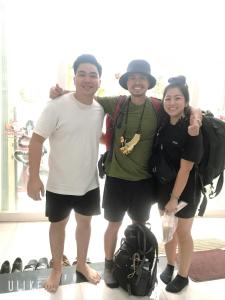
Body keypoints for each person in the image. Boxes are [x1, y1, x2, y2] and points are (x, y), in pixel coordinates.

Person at [50, 60, 202, 288]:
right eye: (133, 78)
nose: (137, 82)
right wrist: (62, 93)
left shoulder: (158, 106)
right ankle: (110, 265)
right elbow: (87, 94)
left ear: (149, 83)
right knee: (113, 225)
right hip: (116, 177)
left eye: (142, 78)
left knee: (140, 226)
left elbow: (185, 106)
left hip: (144, 181)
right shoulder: (117, 103)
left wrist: (197, 116)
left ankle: (137, 262)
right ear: (127, 82)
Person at [27, 54, 104, 293]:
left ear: (99, 80)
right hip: (59, 183)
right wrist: (33, 177)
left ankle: (81, 264)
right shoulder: (57, 105)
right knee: (58, 225)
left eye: (93, 75)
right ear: (75, 77)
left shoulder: (101, 107)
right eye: (82, 74)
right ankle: (57, 268)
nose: (87, 79)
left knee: (85, 223)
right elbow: (36, 140)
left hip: (89, 183)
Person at [150, 76, 203, 293]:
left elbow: (186, 168)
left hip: (185, 191)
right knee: (166, 228)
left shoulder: (191, 128)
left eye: (178, 98)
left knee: (182, 233)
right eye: (168, 98)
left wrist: (174, 198)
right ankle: (170, 264)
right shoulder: (164, 120)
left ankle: (183, 275)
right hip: (163, 187)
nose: (172, 102)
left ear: (186, 101)